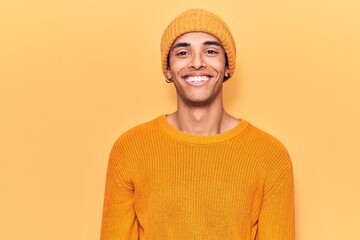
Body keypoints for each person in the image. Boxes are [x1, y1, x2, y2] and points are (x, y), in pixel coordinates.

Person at [100, 9, 295, 240]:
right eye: (183, 52)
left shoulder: (270, 156)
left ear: (227, 66)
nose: (197, 63)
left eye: (210, 51)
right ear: (168, 70)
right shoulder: (130, 149)